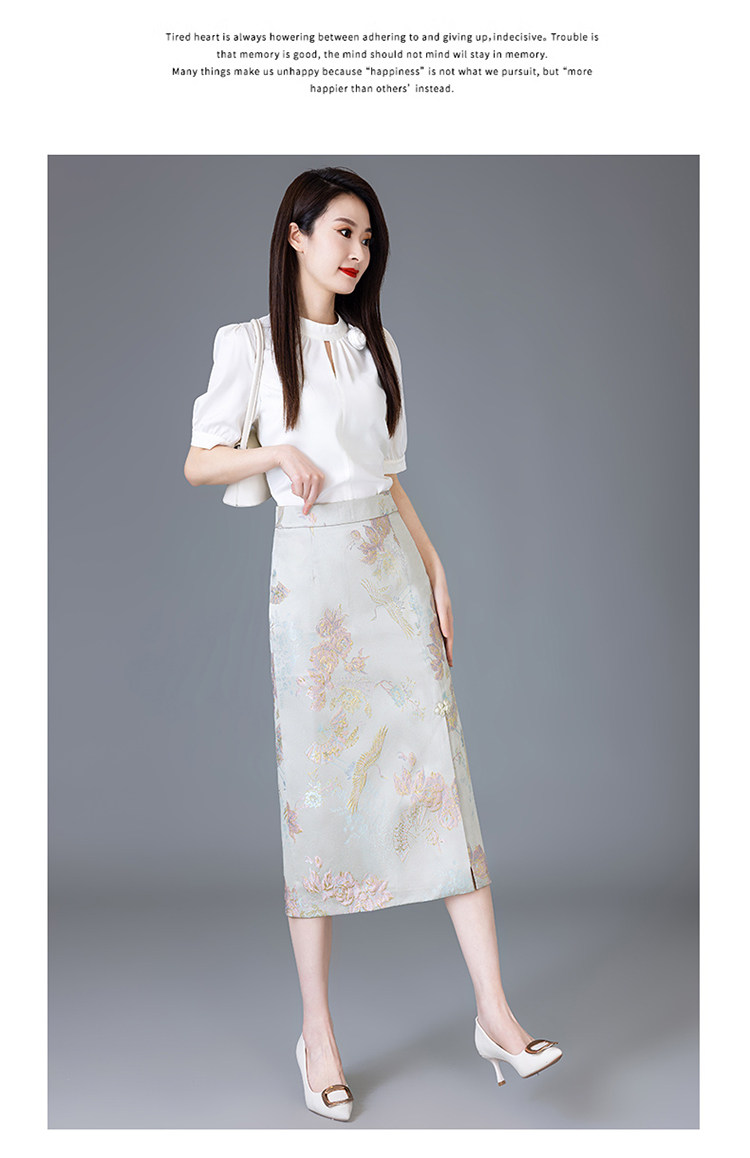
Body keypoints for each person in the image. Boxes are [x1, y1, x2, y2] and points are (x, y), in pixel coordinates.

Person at [183, 166, 562, 1121]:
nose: (357, 252)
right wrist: (275, 452)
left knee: (443, 783)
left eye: (367, 238)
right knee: (315, 805)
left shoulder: (375, 347)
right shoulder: (251, 345)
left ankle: (496, 1013)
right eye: (342, 232)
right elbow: (198, 461)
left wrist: (435, 569)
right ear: (296, 234)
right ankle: (317, 1033)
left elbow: (387, 477)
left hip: (388, 570)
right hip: (312, 588)